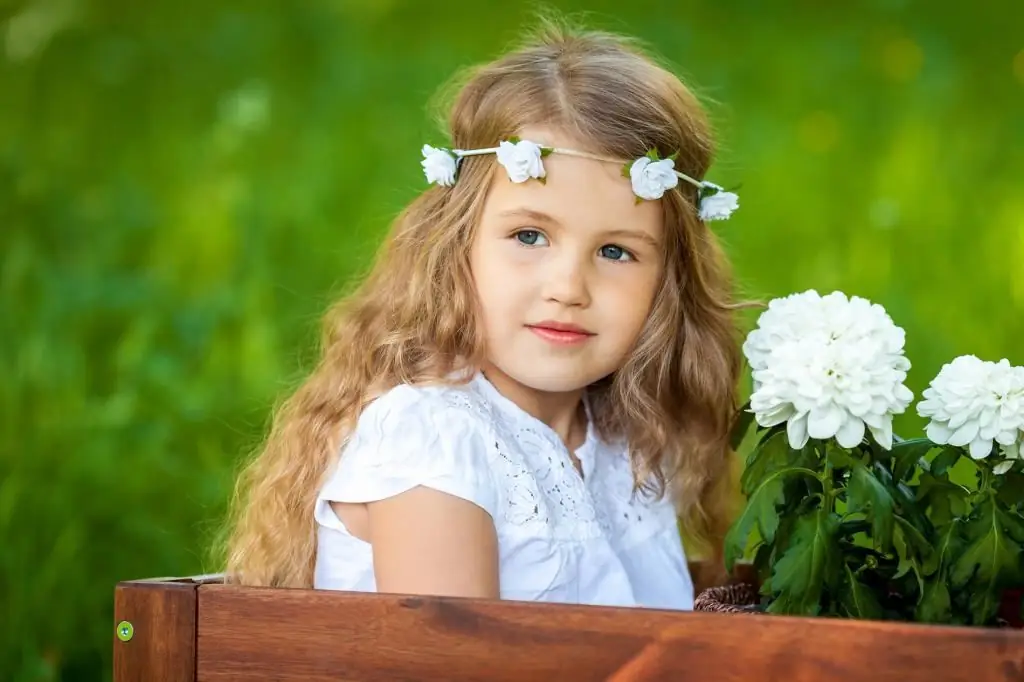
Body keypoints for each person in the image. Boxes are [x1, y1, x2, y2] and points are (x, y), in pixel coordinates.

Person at [221, 17, 746, 611]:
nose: (568, 287)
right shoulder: (436, 439)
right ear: (456, 244)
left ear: (668, 282)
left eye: (615, 251)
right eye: (528, 236)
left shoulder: (628, 441)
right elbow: (461, 663)